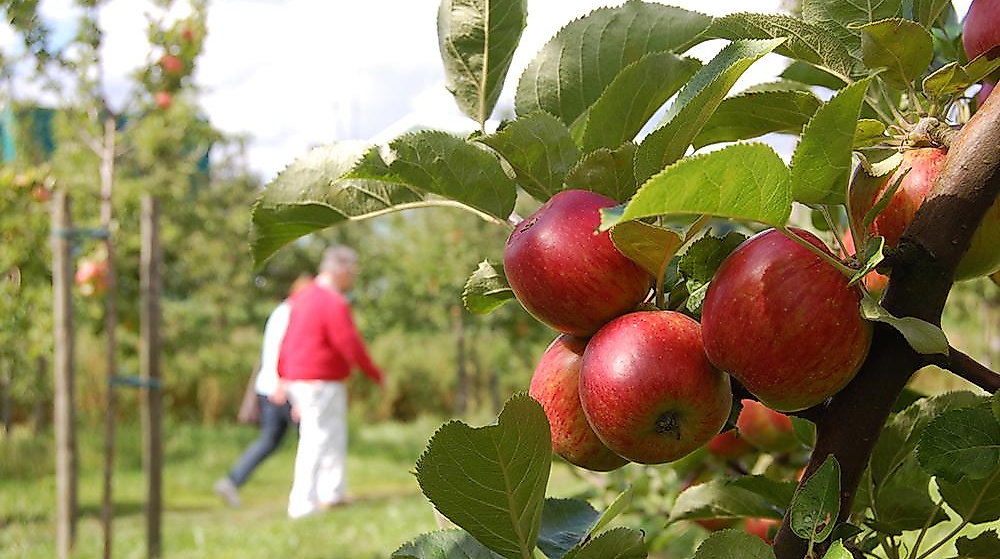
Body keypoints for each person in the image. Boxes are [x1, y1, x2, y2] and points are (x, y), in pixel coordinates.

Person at [278, 245, 385, 519]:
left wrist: (282, 375)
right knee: (316, 440)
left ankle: (332, 495)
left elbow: (286, 339)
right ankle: (302, 505)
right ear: (343, 270)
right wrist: (375, 374)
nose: (354, 278)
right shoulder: (332, 301)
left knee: (332, 435)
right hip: (319, 380)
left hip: (303, 378)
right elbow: (349, 343)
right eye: (353, 272)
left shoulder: (302, 296)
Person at [213, 273, 313, 507]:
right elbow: (280, 350)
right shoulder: (291, 313)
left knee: (271, 440)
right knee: (312, 437)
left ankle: (231, 481)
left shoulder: (282, 311)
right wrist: (280, 384)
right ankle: (315, 491)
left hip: (273, 385)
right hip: (281, 388)